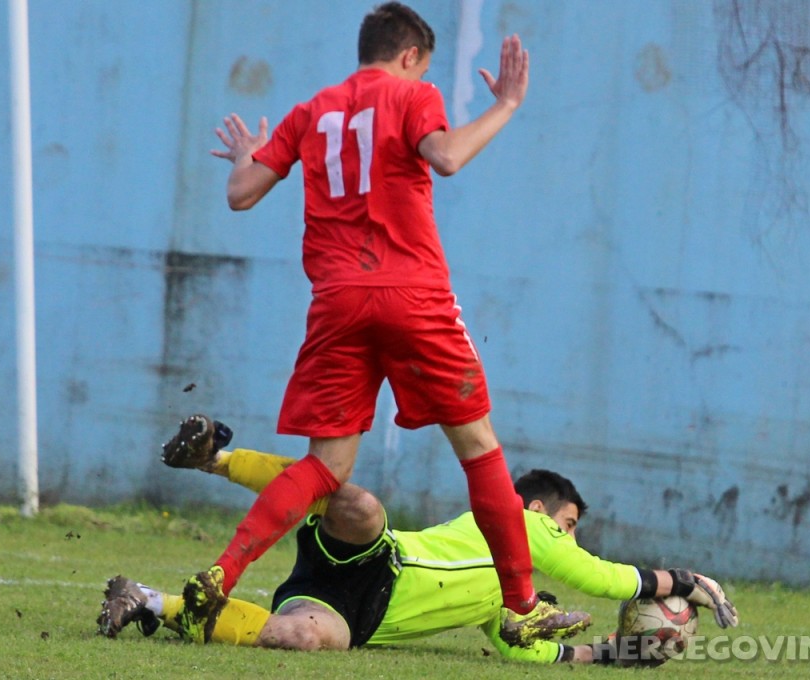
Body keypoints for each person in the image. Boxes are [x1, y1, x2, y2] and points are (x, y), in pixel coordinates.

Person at [187, 1, 578, 646]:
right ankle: (522, 604)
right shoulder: (412, 94)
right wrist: (505, 105)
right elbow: (447, 158)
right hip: (412, 295)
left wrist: (245, 156)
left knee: (326, 468)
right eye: (422, 64)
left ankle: (222, 572)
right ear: (408, 57)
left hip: (337, 300)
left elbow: (241, 193)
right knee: (479, 449)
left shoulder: (314, 110)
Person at [98, 416, 739, 666]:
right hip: (385, 560)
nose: (570, 536)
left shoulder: (507, 599)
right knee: (357, 503)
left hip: (355, 616)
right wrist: (684, 582)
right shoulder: (525, 525)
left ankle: (146, 602)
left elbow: (526, 655)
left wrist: (616, 654)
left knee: (297, 639)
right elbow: (605, 579)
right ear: (541, 509)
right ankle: (215, 459)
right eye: (571, 523)